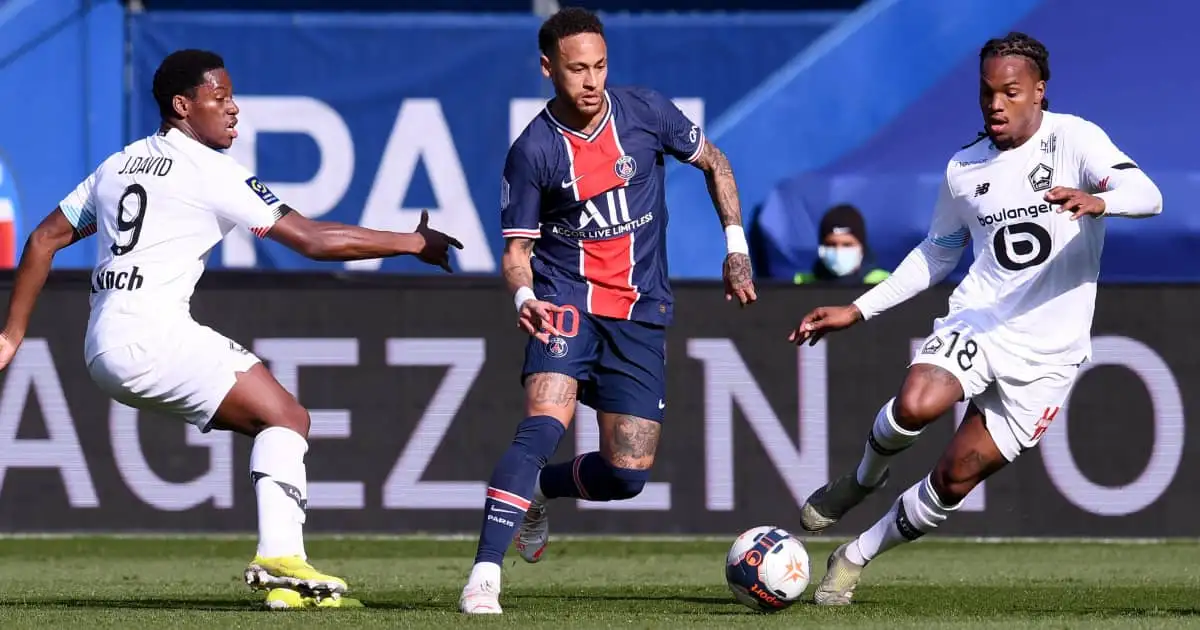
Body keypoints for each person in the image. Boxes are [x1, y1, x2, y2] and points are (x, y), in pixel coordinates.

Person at [0, 49, 463, 610]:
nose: (234, 109)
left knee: (279, 422)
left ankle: (287, 579)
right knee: (287, 418)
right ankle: (279, 561)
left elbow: (44, 239)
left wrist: (12, 334)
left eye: (231, 97)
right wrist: (412, 242)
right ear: (181, 106)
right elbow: (314, 241)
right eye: (218, 98)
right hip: (153, 337)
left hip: (102, 347)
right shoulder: (210, 171)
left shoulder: (118, 165)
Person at [787, 32, 1162, 605]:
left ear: (1039, 92)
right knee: (917, 402)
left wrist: (1101, 200)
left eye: (1010, 92)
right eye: (986, 92)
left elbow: (1148, 193)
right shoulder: (965, 167)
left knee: (953, 479)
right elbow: (938, 252)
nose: (995, 104)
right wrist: (859, 308)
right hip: (981, 320)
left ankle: (853, 556)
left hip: (1049, 354)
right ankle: (861, 480)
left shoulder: (1076, 139)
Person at [459, 6, 757, 614]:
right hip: (566, 303)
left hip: (640, 314)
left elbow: (716, 163)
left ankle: (539, 493)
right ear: (548, 69)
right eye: (576, 69)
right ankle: (484, 575)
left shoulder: (646, 112)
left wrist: (736, 248)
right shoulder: (535, 150)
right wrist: (525, 298)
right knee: (542, 426)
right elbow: (516, 251)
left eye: (599, 66)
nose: (591, 81)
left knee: (626, 475)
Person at [793, 203, 890, 285]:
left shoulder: (884, 284)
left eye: (847, 245)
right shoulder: (802, 284)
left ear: (862, 247)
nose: (839, 251)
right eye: (831, 245)